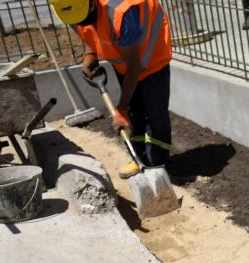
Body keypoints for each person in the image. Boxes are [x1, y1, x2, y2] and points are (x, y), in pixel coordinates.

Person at [50, 0, 174, 179]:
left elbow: (134, 66)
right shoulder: (67, 7)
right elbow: (86, 28)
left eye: (88, 17)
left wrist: (120, 109)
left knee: (155, 114)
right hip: (125, 62)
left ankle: (160, 164)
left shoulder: (121, 13)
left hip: (152, 56)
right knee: (134, 112)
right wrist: (90, 54)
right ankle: (140, 159)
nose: (83, 22)